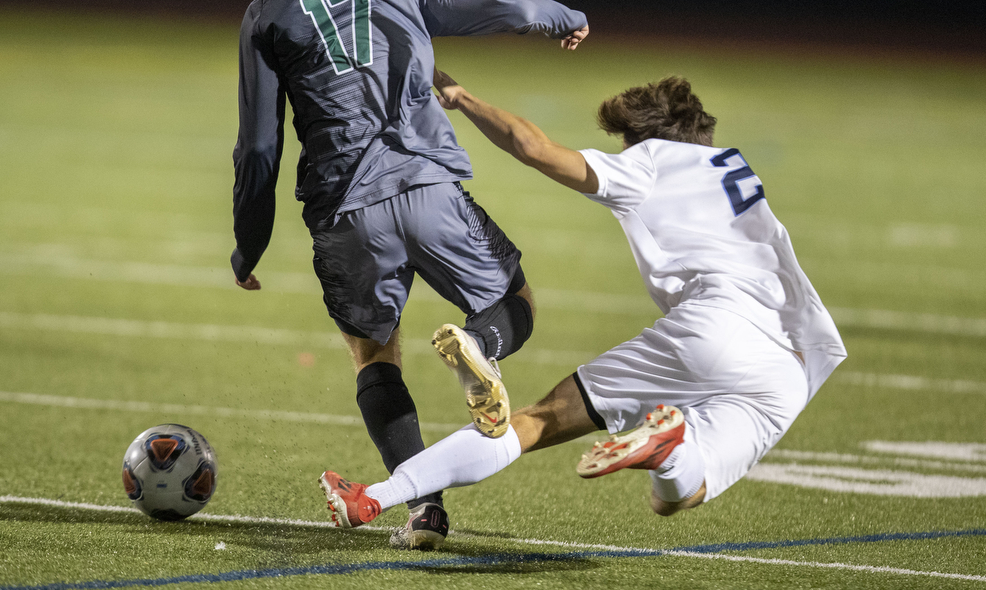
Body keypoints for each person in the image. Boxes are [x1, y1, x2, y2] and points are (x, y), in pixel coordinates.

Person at [230, 0, 589, 550]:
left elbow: (259, 150)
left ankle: (423, 511)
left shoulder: (267, 11)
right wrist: (562, 18)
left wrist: (250, 243)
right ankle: (480, 347)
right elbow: (499, 3)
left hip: (345, 216)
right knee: (516, 303)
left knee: (374, 357)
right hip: (428, 190)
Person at [320, 70, 847, 534]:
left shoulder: (651, 160)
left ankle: (377, 497)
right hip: (793, 368)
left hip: (718, 323)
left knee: (536, 422)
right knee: (683, 492)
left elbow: (535, 149)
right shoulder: (733, 166)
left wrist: (463, 99)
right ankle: (668, 449)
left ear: (642, 136)